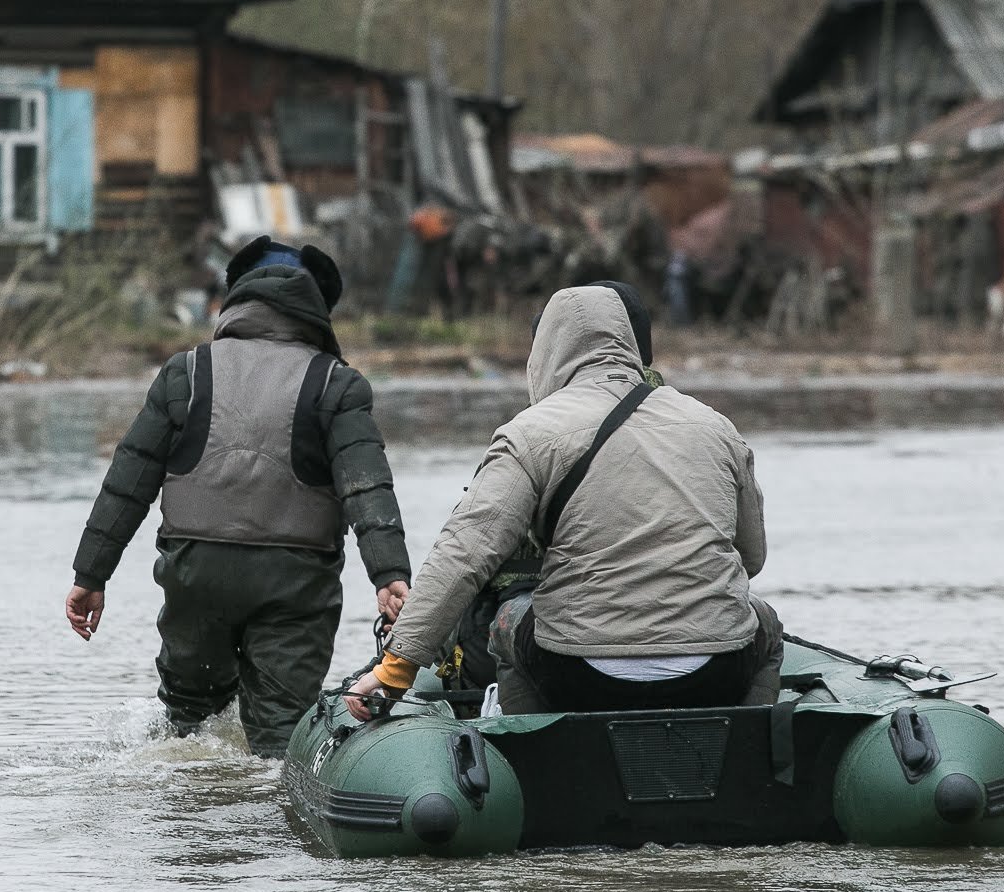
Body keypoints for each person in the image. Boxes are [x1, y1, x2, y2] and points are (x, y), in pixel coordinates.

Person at [348, 281, 776, 719]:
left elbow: (463, 555)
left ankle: (527, 753)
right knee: (766, 622)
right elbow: (752, 556)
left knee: (508, 619)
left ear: (546, 353)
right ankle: (752, 754)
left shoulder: (529, 434)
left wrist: (395, 671)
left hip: (581, 673)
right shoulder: (717, 427)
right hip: (716, 668)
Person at [65, 236, 411, 757]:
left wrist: (90, 576)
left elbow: (127, 481)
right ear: (318, 313)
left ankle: (189, 817)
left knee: (189, 725)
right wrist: (389, 575)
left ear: (236, 302)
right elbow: (366, 488)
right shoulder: (338, 385)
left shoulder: (184, 373)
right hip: (294, 583)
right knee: (279, 742)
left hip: (195, 576)